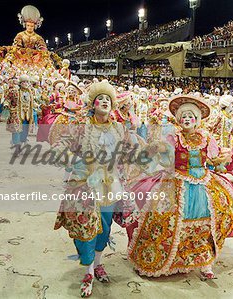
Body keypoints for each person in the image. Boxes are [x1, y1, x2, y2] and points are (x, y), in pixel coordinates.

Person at [128, 95, 233, 279]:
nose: (187, 119)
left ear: (197, 120)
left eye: (191, 116)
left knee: (212, 219)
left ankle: (206, 262)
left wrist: (222, 160)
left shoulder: (206, 137)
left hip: (203, 183)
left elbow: (214, 158)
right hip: (178, 181)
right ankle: (171, 259)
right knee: (169, 221)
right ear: (179, 120)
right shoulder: (174, 137)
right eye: (184, 116)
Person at [52, 81, 139, 297]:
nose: (104, 102)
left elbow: (130, 149)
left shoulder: (118, 128)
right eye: (101, 99)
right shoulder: (81, 126)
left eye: (108, 100)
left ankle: (98, 264)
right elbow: (59, 144)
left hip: (111, 186)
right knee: (87, 230)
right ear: (93, 103)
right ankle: (89, 270)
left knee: (105, 227)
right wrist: (75, 161)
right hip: (86, 186)